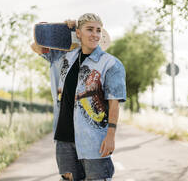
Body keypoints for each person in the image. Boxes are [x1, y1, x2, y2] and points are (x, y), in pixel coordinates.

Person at [31, 13, 126, 181]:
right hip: (64, 138)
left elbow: (114, 102)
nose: (95, 35)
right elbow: (37, 45)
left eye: (98, 30)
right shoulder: (65, 58)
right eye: (89, 29)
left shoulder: (111, 64)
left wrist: (110, 135)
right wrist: (63, 28)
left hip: (93, 140)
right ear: (79, 33)